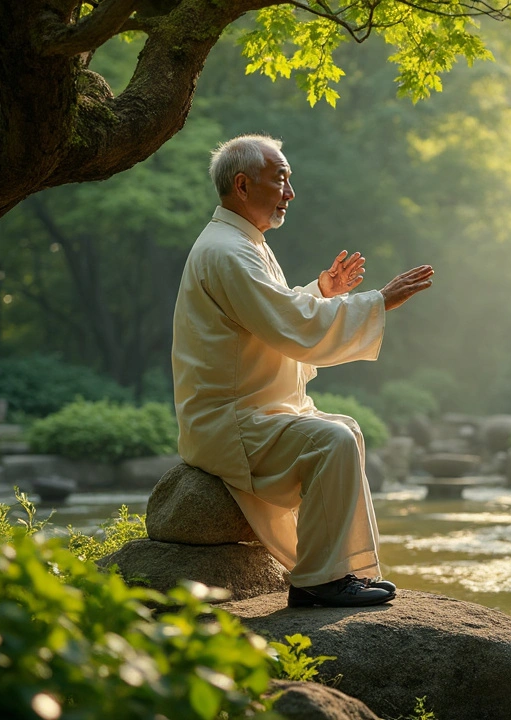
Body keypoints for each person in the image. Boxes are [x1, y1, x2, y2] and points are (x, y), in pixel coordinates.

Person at [171, 134, 433, 608]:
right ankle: (319, 582)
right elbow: (288, 325)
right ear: (244, 186)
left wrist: (321, 290)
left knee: (345, 430)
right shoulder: (228, 250)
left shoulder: (241, 242)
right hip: (229, 421)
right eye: (282, 180)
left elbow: (276, 312)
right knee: (331, 441)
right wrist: (379, 301)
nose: (290, 193)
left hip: (252, 412)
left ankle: (335, 570)